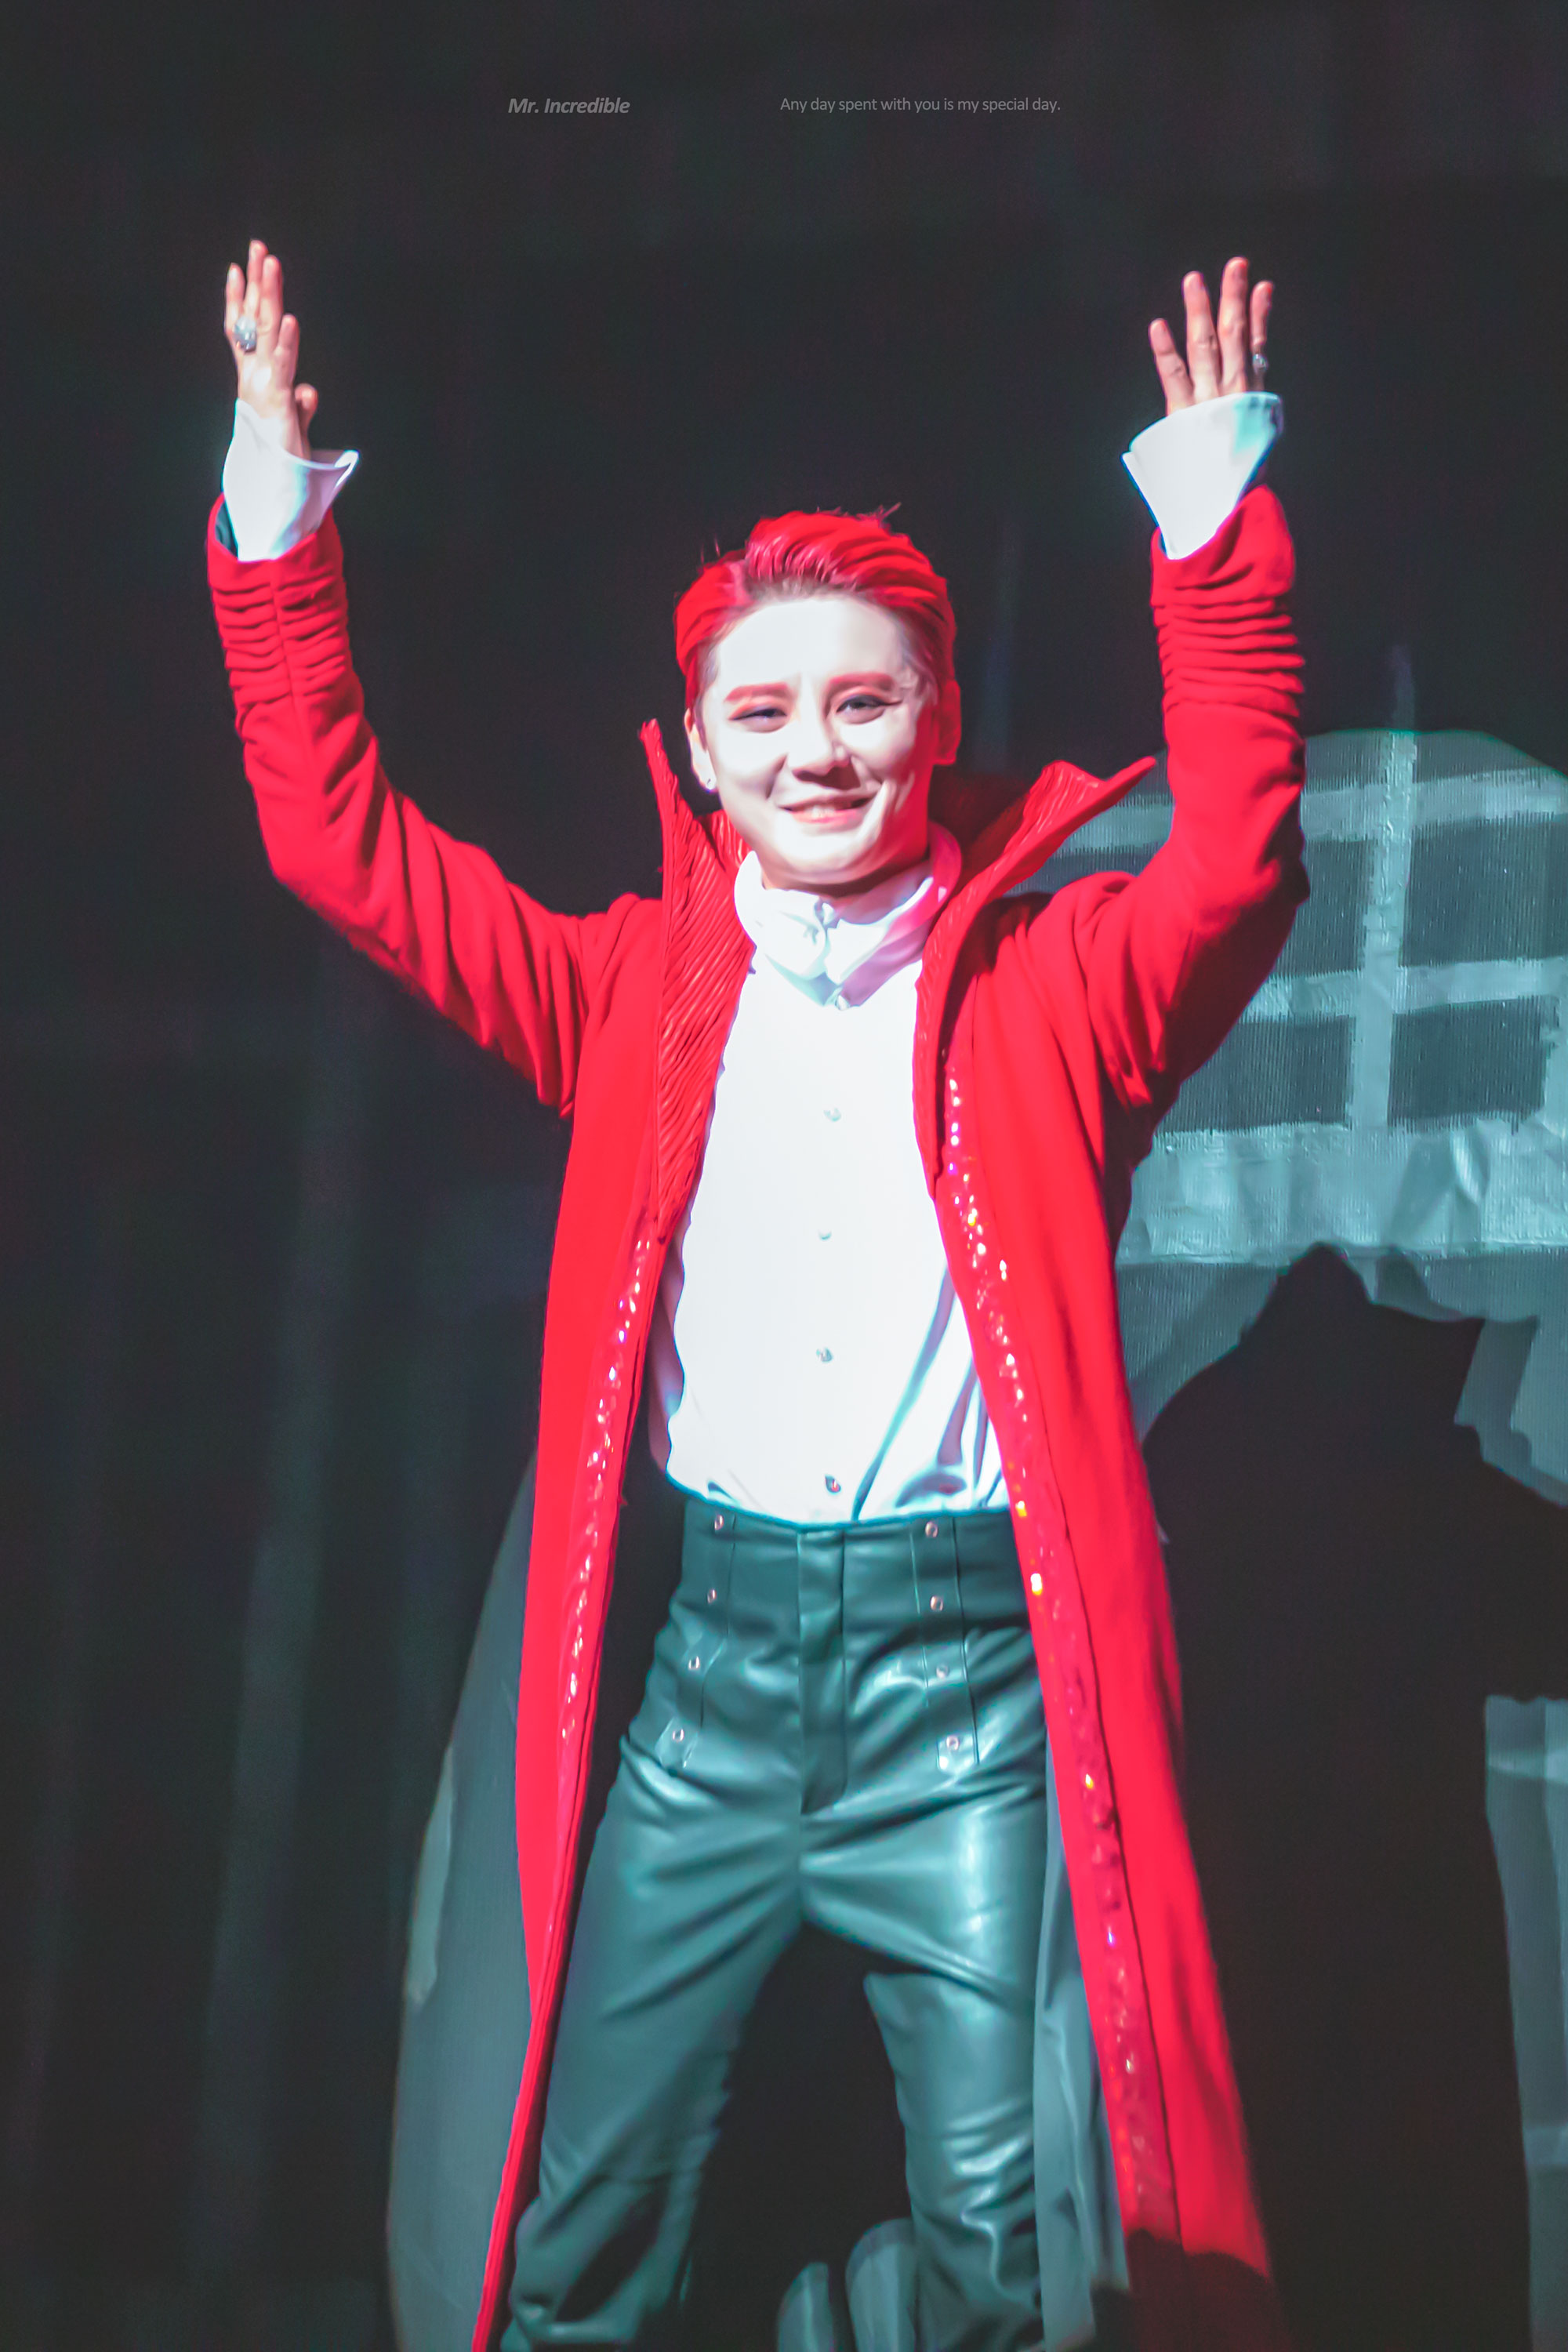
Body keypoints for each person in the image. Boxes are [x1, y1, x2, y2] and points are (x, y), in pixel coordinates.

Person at [209, 239, 1303, 2352]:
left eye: (864, 704)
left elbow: (1241, 854)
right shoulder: (633, 991)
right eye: (767, 714)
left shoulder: (1058, 989)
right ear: (701, 749)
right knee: (573, 2242)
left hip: (963, 1704)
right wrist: (272, 537)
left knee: (1017, 2259)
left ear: (938, 721)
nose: (819, 753)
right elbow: (339, 844)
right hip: (713, 1694)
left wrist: (1211, 525)